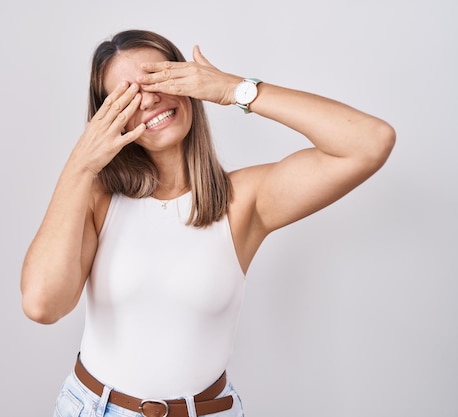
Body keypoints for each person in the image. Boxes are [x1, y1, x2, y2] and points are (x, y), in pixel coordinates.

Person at [20, 29, 395, 417]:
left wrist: (234, 89)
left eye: (159, 79)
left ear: (188, 84)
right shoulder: (98, 198)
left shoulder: (243, 201)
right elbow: (42, 305)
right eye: (127, 95)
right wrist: (81, 162)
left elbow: (370, 142)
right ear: (106, 116)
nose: (149, 99)